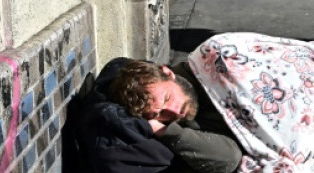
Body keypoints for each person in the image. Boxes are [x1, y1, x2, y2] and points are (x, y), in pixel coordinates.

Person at [73, 57, 243, 173]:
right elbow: (229, 158)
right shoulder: (174, 125)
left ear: (168, 73)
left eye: (167, 98)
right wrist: (165, 130)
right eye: (160, 113)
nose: (174, 111)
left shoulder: (208, 70)